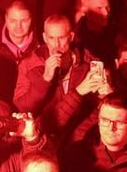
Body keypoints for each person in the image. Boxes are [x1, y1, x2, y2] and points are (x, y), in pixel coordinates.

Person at [14, 14, 108, 146]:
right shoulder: (30, 64)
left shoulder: (90, 62)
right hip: (43, 137)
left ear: (71, 37)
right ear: (44, 38)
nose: (56, 44)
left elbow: (99, 108)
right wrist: (45, 78)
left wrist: (107, 93)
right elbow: (23, 107)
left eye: (62, 38)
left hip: (80, 141)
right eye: (51, 38)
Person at [0, 1, 40, 107]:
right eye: (13, 20)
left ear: (31, 19)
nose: (18, 26)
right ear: (6, 19)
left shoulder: (41, 47)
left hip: (34, 111)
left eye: (24, 20)